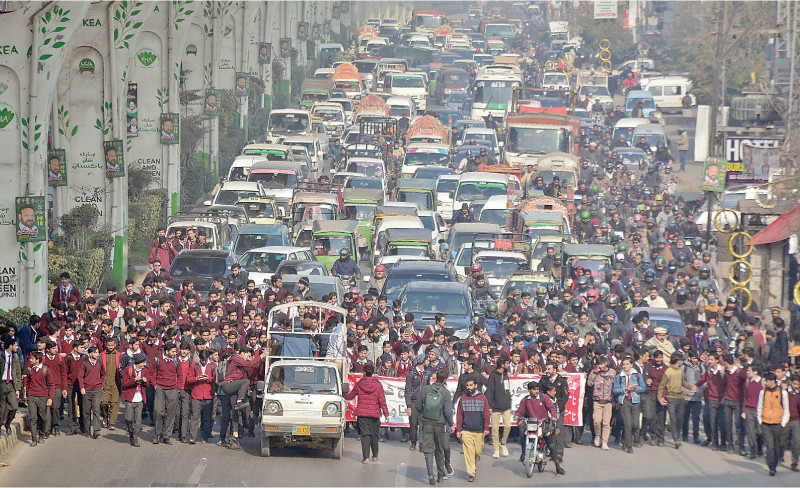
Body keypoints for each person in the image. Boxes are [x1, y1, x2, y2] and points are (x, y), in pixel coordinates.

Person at [513, 381, 564, 475]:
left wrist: (553, 417)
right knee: (521, 430)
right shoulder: (525, 400)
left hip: (544, 424)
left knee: (551, 446)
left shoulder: (544, 397)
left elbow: (552, 408)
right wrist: (517, 416)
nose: (536, 391)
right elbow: (520, 410)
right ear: (529, 390)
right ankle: (524, 453)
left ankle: (558, 467)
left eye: (537, 389)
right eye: (534, 389)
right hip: (531, 424)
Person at [344, 363, 389, 463]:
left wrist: (343, 395)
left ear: (364, 373)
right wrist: (386, 414)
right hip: (375, 414)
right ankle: (375, 455)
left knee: (365, 435)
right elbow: (382, 401)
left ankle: (366, 457)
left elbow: (351, 396)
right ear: (373, 372)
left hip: (362, 414)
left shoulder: (360, 383)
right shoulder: (378, 384)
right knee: (374, 435)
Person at [415, 369, 454, 485]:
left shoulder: (426, 389)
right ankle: (440, 475)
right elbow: (447, 412)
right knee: (439, 449)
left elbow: (417, 406)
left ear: (436, 377)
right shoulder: (446, 393)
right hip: (440, 423)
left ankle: (430, 474)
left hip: (426, 422)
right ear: (445, 380)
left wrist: (425, 412)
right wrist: (451, 424)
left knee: (428, 449)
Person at [455, 377, 490, 482]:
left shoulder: (483, 398)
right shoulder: (463, 398)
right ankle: (471, 473)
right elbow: (459, 415)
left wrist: (486, 428)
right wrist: (459, 430)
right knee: (468, 452)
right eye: (467, 385)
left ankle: (473, 466)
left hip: (479, 431)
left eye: (471, 385)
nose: (469, 387)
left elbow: (486, 414)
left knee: (478, 452)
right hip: (466, 430)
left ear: (476, 386)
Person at [758, 372, 790, 476]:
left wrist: (783, 423)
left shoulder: (782, 393)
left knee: (777, 446)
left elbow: (786, 409)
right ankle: (771, 466)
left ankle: (774, 463)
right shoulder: (763, 392)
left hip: (777, 424)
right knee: (770, 445)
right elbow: (760, 407)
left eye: (767, 381)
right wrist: (760, 420)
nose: (765, 383)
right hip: (766, 423)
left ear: (772, 381)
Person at [612, 357, 647, 453]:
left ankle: (625, 438)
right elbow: (615, 390)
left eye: (627, 364)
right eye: (623, 364)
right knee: (627, 424)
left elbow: (643, 387)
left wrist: (636, 388)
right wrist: (624, 389)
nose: (625, 366)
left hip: (635, 400)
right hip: (624, 400)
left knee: (635, 424)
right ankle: (629, 445)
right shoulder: (619, 376)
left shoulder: (637, 375)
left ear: (631, 365)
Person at [25, 351, 54, 447]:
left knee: (43, 418)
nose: (30, 360)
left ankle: (41, 435)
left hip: (43, 397)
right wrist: (27, 395)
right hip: (32, 396)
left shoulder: (46, 370)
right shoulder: (30, 370)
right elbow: (28, 383)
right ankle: (34, 438)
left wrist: (50, 398)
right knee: (32, 418)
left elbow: (52, 384)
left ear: (37, 360)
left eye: (32, 358)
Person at [486, 356, 512, 458]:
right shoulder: (493, 375)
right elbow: (489, 391)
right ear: (502, 365)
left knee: (507, 426)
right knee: (495, 429)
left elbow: (508, 388)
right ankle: (496, 449)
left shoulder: (505, 374)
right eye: (506, 363)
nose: (508, 365)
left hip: (505, 406)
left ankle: (503, 443)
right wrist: (490, 405)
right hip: (495, 407)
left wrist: (509, 402)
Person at [120, 352, 149, 447]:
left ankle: (135, 438)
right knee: (128, 418)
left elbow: (147, 385)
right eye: (143, 362)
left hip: (139, 398)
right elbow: (124, 384)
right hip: (130, 398)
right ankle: (131, 432)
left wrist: (144, 381)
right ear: (138, 362)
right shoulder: (128, 369)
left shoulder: (145, 371)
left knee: (138, 420)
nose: (145, 364)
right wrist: (134, 380)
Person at [78, 345, 105, 439]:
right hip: (86, 390)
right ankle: (87, 429)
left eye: (98, 352)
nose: (97, 354)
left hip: (97, 390)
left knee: (96, 409)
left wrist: (102, 386)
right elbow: (80, 376)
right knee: (86, 411)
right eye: (95, 352)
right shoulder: (84, 363)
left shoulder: (100, 363)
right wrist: (82, 387)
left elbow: (103, 375)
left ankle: (96, 430)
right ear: (90, 353)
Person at [0, 335, 22, 437]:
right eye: (15, 345)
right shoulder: (1, 355)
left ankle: (7, 424)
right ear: (10, 345)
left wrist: (18, 388)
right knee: (2, 408)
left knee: (14, 407)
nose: (17, 347)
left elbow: (17, 372)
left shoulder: (15, 357)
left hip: (11, 384)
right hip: (2, 383)